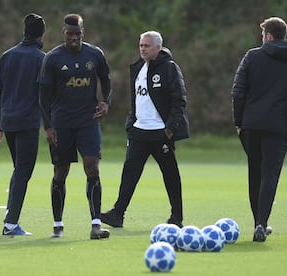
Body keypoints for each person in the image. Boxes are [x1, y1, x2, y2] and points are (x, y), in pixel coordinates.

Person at [101, 31, 189, 229]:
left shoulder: (169, 68)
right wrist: (130, 124)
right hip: (139, 132)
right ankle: (118, 214)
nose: (142, 49)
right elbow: (136, 99)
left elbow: (179, 100)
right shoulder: (138, 68)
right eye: (141, 45)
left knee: (170, 174)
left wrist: (170, 128)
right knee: (130, 173)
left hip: (161, 133)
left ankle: (177, 217)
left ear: (158, 47)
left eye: (147, 46)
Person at [232, 17, 287, 242]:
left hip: (251, 125)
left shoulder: (252, 56)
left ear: (269, 36)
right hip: (278, 127)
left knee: (255, 173)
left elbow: (238, 91)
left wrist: (238, 121)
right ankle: (261, 224)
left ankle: (258, 222)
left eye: (263, 35)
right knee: (270, 175)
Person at [39, 13, 112, 240]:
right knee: (61, 172)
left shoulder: (95, 54)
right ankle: (58, 225)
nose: (74, 38)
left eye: (77, 34)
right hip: (61, 122)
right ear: (63, 33)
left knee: (92, 168)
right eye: (70, 34)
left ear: (83, 32)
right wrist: (48, 127)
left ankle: (96, 224)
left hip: (88, 121)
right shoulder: (52, 58)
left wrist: (106, 102)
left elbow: (106, 80)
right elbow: (43, 96)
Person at [0, 13, 46, 236]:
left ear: (24, 31)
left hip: (8, 121)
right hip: (28, 122)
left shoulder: (7, 56)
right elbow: (46, 94)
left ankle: (10, 220)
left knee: (19, 170)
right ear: (42, 34)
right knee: (23, 171)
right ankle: (11, 223)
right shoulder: (43, 58)